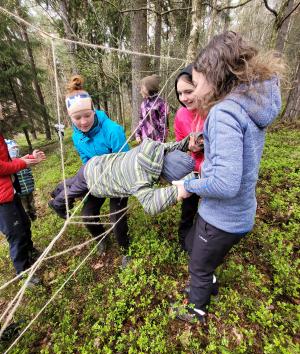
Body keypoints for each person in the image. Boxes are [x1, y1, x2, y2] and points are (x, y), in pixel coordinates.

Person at [173, 31, 284, 323]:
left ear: (215, 75)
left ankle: (195, 309)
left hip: (221, 217)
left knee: (197, 264)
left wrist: (188, 184)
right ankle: (209, 283)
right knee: (203, 254)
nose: (193, 92)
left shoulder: (224, 113)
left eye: (196, 84)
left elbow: (224, 182)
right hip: (241, 213)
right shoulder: (250, 104)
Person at [64, 75, 130, 261]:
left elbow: (126, 161)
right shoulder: (77, 136)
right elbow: (86, 160)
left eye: (87, 115)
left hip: (118, 178)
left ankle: (126, 249)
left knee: (116, 218)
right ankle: (101, 238)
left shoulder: (112, 130)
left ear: (94, 111)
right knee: (88, 215)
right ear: (71, 118)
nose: (83, 122)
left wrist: (113, 177)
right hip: (96, 178)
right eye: (77, 118)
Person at [49, 136, 196, 218]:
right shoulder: (141, 178)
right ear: (165, 176)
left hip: (94, 163)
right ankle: (57, 204)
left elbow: (171, 146)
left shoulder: (155, 149)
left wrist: (187, 143)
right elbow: (151, 204)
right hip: (93, 179)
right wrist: (179, 191)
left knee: (73, 180)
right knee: (75, 191)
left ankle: (56, 191)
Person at [0, 133, 46, 281]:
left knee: (24, 224)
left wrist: (29, 159)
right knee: (16, 234)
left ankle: (30, 251)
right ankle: (23, 271)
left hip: (9, 191)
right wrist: (24, 163)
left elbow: (6, 161)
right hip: (2, 199)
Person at [174, 64, 206, 251]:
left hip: (211, 172)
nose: (183, 98)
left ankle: (202, 244)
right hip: (192, 170)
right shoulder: (180, 114)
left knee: (208, 212)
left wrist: (204, 146)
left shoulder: (214, 111)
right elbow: (180, 143)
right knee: (188, 209)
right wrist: (188, 146)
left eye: (188, 91)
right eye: (179, 93)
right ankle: (184, 241)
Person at [5, 139, 37, 221]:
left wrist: (32, 184)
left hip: (29, 188)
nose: (15, 150)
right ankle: (27, 217)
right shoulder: (9, 167)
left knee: (31, 203)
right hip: (20, 192)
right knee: (24, 206)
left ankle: (33, 214)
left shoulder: (24, 162)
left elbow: (30, 174)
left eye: (16, 148)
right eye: (13, 149)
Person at [135, 74, 169, 143]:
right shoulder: (143, 104)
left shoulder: (160, 103)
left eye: (142, 88)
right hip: (146, 139)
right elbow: (141, 120)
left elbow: (164, 124)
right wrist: (137, 133)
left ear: (149, 88)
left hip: (158, 139)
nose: (140, 91)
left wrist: (162, 140)